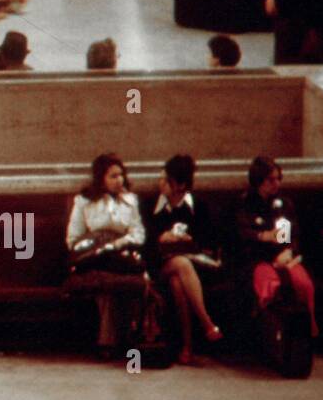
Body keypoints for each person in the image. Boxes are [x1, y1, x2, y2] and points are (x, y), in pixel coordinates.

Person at [146, 154, 224, 366]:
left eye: (165, 180)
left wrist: (191, 240)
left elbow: (211, 241)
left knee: (178, 282)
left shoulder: (199, 207)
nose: (160, 183)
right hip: (161, 265)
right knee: (180, 264)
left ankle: (186, 348)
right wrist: (161, 238)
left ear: (180, 185)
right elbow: (145, 244)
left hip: (195, 269)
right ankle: (207, 323)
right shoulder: (153, 207)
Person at [66, 153, 147, 356]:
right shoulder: (85, 201)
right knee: (107, 283)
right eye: (113, 176)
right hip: (95, 257)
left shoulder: (130, 200)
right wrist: (95, 245)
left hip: (121, 256)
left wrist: (118, 243)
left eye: (121, 175)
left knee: (124, 278)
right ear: (101, 179)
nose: (119, 180)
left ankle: (117, 340)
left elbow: (138, 233)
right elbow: (73, 237)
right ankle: (113, 340)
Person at [236, 156, 317, 338]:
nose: (276, 184)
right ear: (258, 180)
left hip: (284, 258)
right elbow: (242, 235)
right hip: (257, 260)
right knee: (272, 287)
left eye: (279, 179)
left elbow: (291, 234)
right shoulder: (244, 204)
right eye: (271, 180)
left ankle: (306, 333)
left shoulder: (283, 205)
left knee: (304, 284)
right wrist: (263, 237)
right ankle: (272, 334)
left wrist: (289, 251)